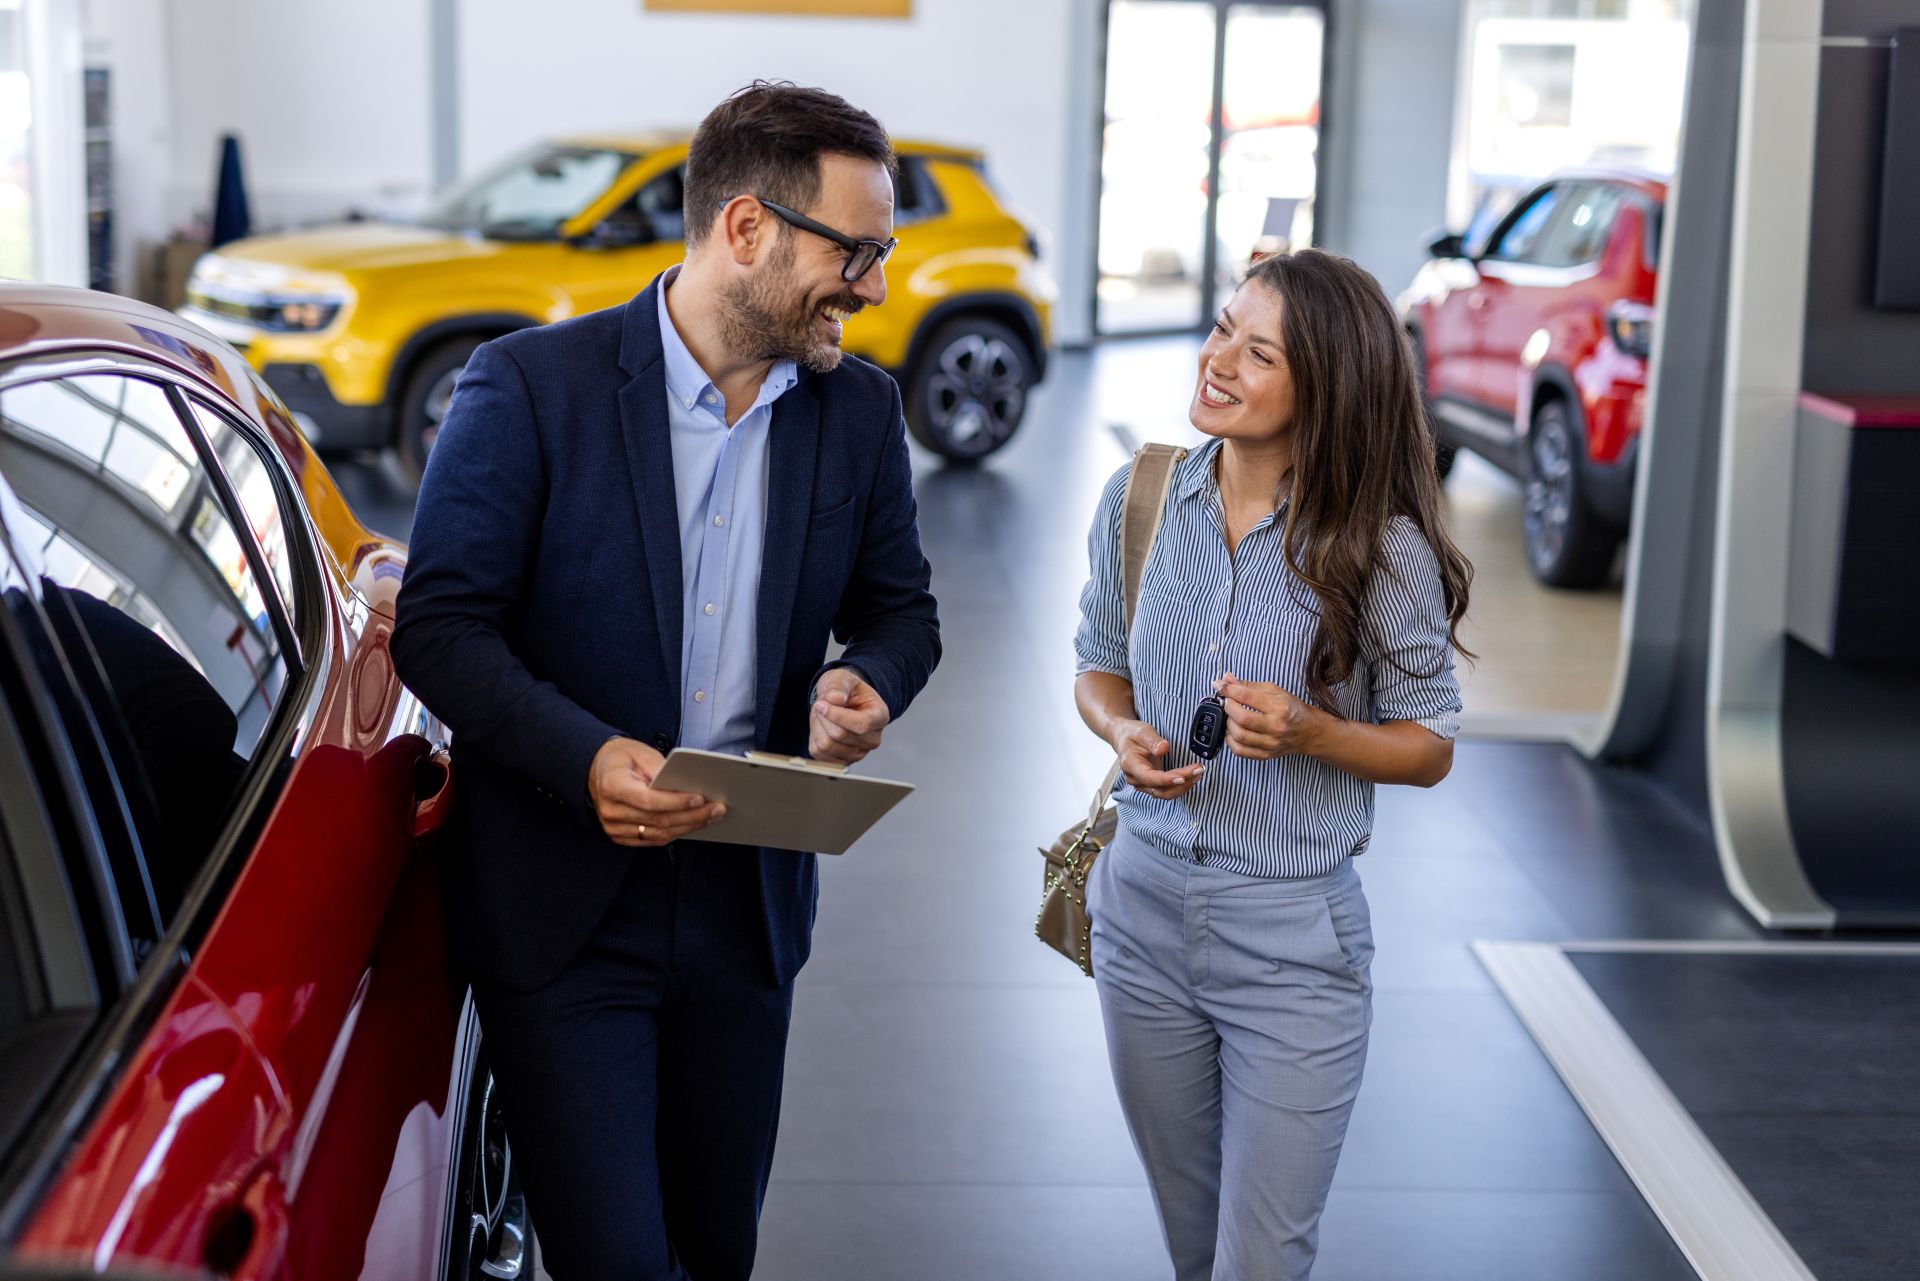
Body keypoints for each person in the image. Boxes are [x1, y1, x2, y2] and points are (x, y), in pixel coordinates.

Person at [390, 81, 940, 1280]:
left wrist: (871, 686)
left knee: (715, 1249)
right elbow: (440, 628)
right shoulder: (532, 388)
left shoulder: (856, 413)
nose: (878, 286)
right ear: (746, 229)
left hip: (747, 912)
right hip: (566, 906)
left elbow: (903, 614)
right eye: (856, 252)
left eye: (885, 254)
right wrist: (584, 757)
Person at [1073, 248, 1472, 1280]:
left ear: (1325, 390)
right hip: (1141, 916)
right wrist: (1124, 734)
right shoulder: (1144, 496)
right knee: (1193, 1248)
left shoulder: (1379, 549)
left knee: (1262, 1262)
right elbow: (1098, 666)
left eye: (1259, 354)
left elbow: (1429, 743)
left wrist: (1314, 734)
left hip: (1294, 946)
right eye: (1220, 331)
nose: (1219, 362)